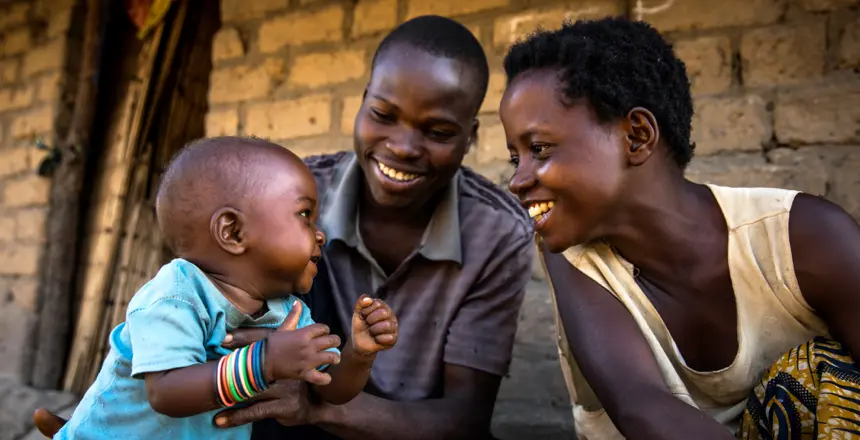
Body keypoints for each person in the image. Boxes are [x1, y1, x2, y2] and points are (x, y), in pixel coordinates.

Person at [32, 15, 534, 440]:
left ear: (470, 137)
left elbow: (453, 416)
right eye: (383, 114)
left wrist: (356, 356)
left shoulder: (497, 232)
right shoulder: (268, 202)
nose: (403, 147)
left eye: (439, 131)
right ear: (362, 103)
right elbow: (163, 378)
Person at [502, 17, 860, 440]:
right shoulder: (573, 259)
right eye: (515, 158)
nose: (518, 180)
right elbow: (641, 406)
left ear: (636, 136)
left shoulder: (803, 238)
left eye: (539, 149)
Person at [46, 137, 399, 440]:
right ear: (232, 232)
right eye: (305, 215)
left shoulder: (287, 312)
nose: (320, 233)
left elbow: (330, 392)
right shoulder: (176, 295)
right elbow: (166, 392)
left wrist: (359, 353)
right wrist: (264, 362)